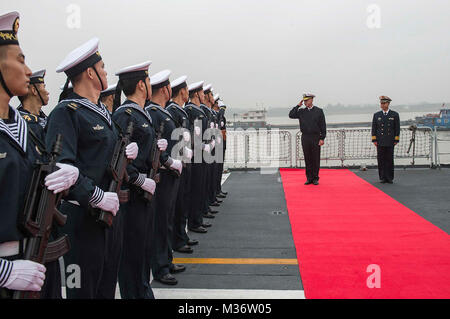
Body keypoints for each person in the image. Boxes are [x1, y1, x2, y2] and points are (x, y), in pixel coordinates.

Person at [45, 37, 138, 299]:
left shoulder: (102, 113)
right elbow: (61, 168)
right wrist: (96, 196)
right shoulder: (67, 113)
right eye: (103, 67)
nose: (107, 72)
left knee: (106, 289)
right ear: (90, 72)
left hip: (110, 218)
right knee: (83, 291)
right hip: (83, 221)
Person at [0, 11, 78, 299]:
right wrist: (4, 272)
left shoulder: (20, 129)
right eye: (20, 60)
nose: (28, 70)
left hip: (38, 256)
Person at [113, 61, 167, 298]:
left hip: (146, 193)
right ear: (141, 85)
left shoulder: (141, 114)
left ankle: (143, 291)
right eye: (147, 79)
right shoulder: (125, 114)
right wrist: (137, 179)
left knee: (143, 248)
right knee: (132, 253)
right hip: (133, 196)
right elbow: (119, 158)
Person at [145, 69, 184, 286]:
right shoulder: (154, 112)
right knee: (160, 222)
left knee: (166, 219)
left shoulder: (163, 112)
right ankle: (159, 266)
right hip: (162, 173)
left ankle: (167, 260)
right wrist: (169, 160)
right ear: (165, 89)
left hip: (172, 173)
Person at [166, 75, 197, 254]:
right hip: (176, 164)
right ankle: (177, 240)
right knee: (176, 206)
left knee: (183, 200)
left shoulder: (181, 111)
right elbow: (171, 139)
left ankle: (181, 236)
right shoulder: (172, 111)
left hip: (185, 163)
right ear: (182, 92)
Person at [184, 81, 214, 234]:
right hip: (195, 157)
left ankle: (198, 218)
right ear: (196, 94)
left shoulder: (198, 111)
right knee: (195, 189)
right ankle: (194, 221)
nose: (204, 95)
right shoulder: (191, 110)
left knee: (201, 187)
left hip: (202, 155)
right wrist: (203, 146)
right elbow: (191, 135)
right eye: (202, 93)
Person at [289, 93, 326, 185]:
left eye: (307, 100)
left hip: (315, 137)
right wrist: (298, 105)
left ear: (311, 100)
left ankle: (315, 178)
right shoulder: (301, 111)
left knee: (315, 158)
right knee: (307, 158)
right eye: (304, 100)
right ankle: (309, 178)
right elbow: (291, 115)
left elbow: (323, 125)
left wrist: (322, 138)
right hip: (305, 137)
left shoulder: (319, 111)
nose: (305, 102)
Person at [371, 96, 400, 184]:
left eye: (384, 103)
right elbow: (374, 128)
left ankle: (389, 177)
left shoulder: (394, 115)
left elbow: (397, 128)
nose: (382, 105)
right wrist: (374, 140)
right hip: (380, 141)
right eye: (381, 103)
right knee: (381, 160)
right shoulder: (377, 115)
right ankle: (382, 177)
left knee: (389, 159)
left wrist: (396, 139)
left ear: (388, 104)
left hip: (390, 141)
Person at [17, 69, 48, 140]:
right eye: (44, 87)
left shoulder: (46, 119)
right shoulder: (20, 122)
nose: (47, 92)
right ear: (34, 90)